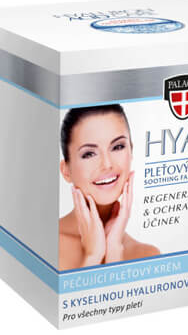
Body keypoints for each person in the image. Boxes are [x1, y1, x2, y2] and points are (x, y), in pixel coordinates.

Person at [58, 104, 159, 269]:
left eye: (117, 147)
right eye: (89, 154)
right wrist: (93, 256)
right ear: (66, 170)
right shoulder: (47, 242)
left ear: (131, 151)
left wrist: (114, 251)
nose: (107, 164)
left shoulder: (147, 255)